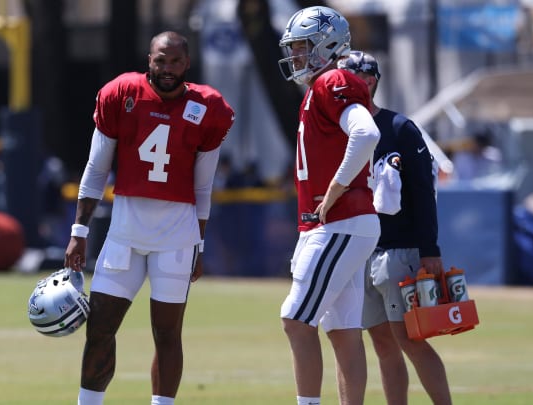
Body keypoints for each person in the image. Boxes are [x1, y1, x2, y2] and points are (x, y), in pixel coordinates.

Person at [64, 31, 234, 405]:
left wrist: (199, 246)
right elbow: (96, 169)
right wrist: (79, 231)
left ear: (186, 64)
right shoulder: (121, 93)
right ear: (149, 59)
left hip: (176, 237)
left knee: (168, 333)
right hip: (125, 233)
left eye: (175, 61)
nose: (167, 68)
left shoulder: (208, 107)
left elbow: (203, 189)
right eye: (160, 60)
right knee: (100, 328)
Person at [276, 7, 381, 405]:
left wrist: (337, 186)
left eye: (303, 47)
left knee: (295, 319)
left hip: (340, 221)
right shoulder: (319, 86)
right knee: (342, 330)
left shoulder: (333, 80)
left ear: (328, 45)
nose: (297, 56)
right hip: (343, 223)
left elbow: (366, 133)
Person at [338, 51, 453, 405]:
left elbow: (423, 189)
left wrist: (429, 249)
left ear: (373, 81)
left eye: (361, 78)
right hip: (358, 250)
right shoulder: (334, 131)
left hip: (398, 249)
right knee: (381, 343)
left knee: (410, 339)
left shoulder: (399, 127)